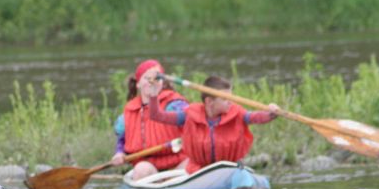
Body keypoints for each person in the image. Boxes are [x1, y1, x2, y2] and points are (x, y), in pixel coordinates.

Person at [145, 75, 280, 174]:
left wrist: (271, 113)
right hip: (199, 172)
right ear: (209, 102)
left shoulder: (237, 113)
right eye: (225, 99)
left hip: (231, 169)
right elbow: (157, 116)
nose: (230, 102)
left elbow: (256, 117)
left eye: (231, 98)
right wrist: (153, 96)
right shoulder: (188, 115)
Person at [109, 59, 188, 180]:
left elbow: (192, 120)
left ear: (162, 82)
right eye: (147, 78)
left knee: (192, 164)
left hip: (178, 163)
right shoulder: (128, 114)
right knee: (141, 169)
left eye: (156, 78)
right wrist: (119, 153)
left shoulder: (175, 104)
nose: (152, 82)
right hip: (149, 167)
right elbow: (122, 141)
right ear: (138, 83)